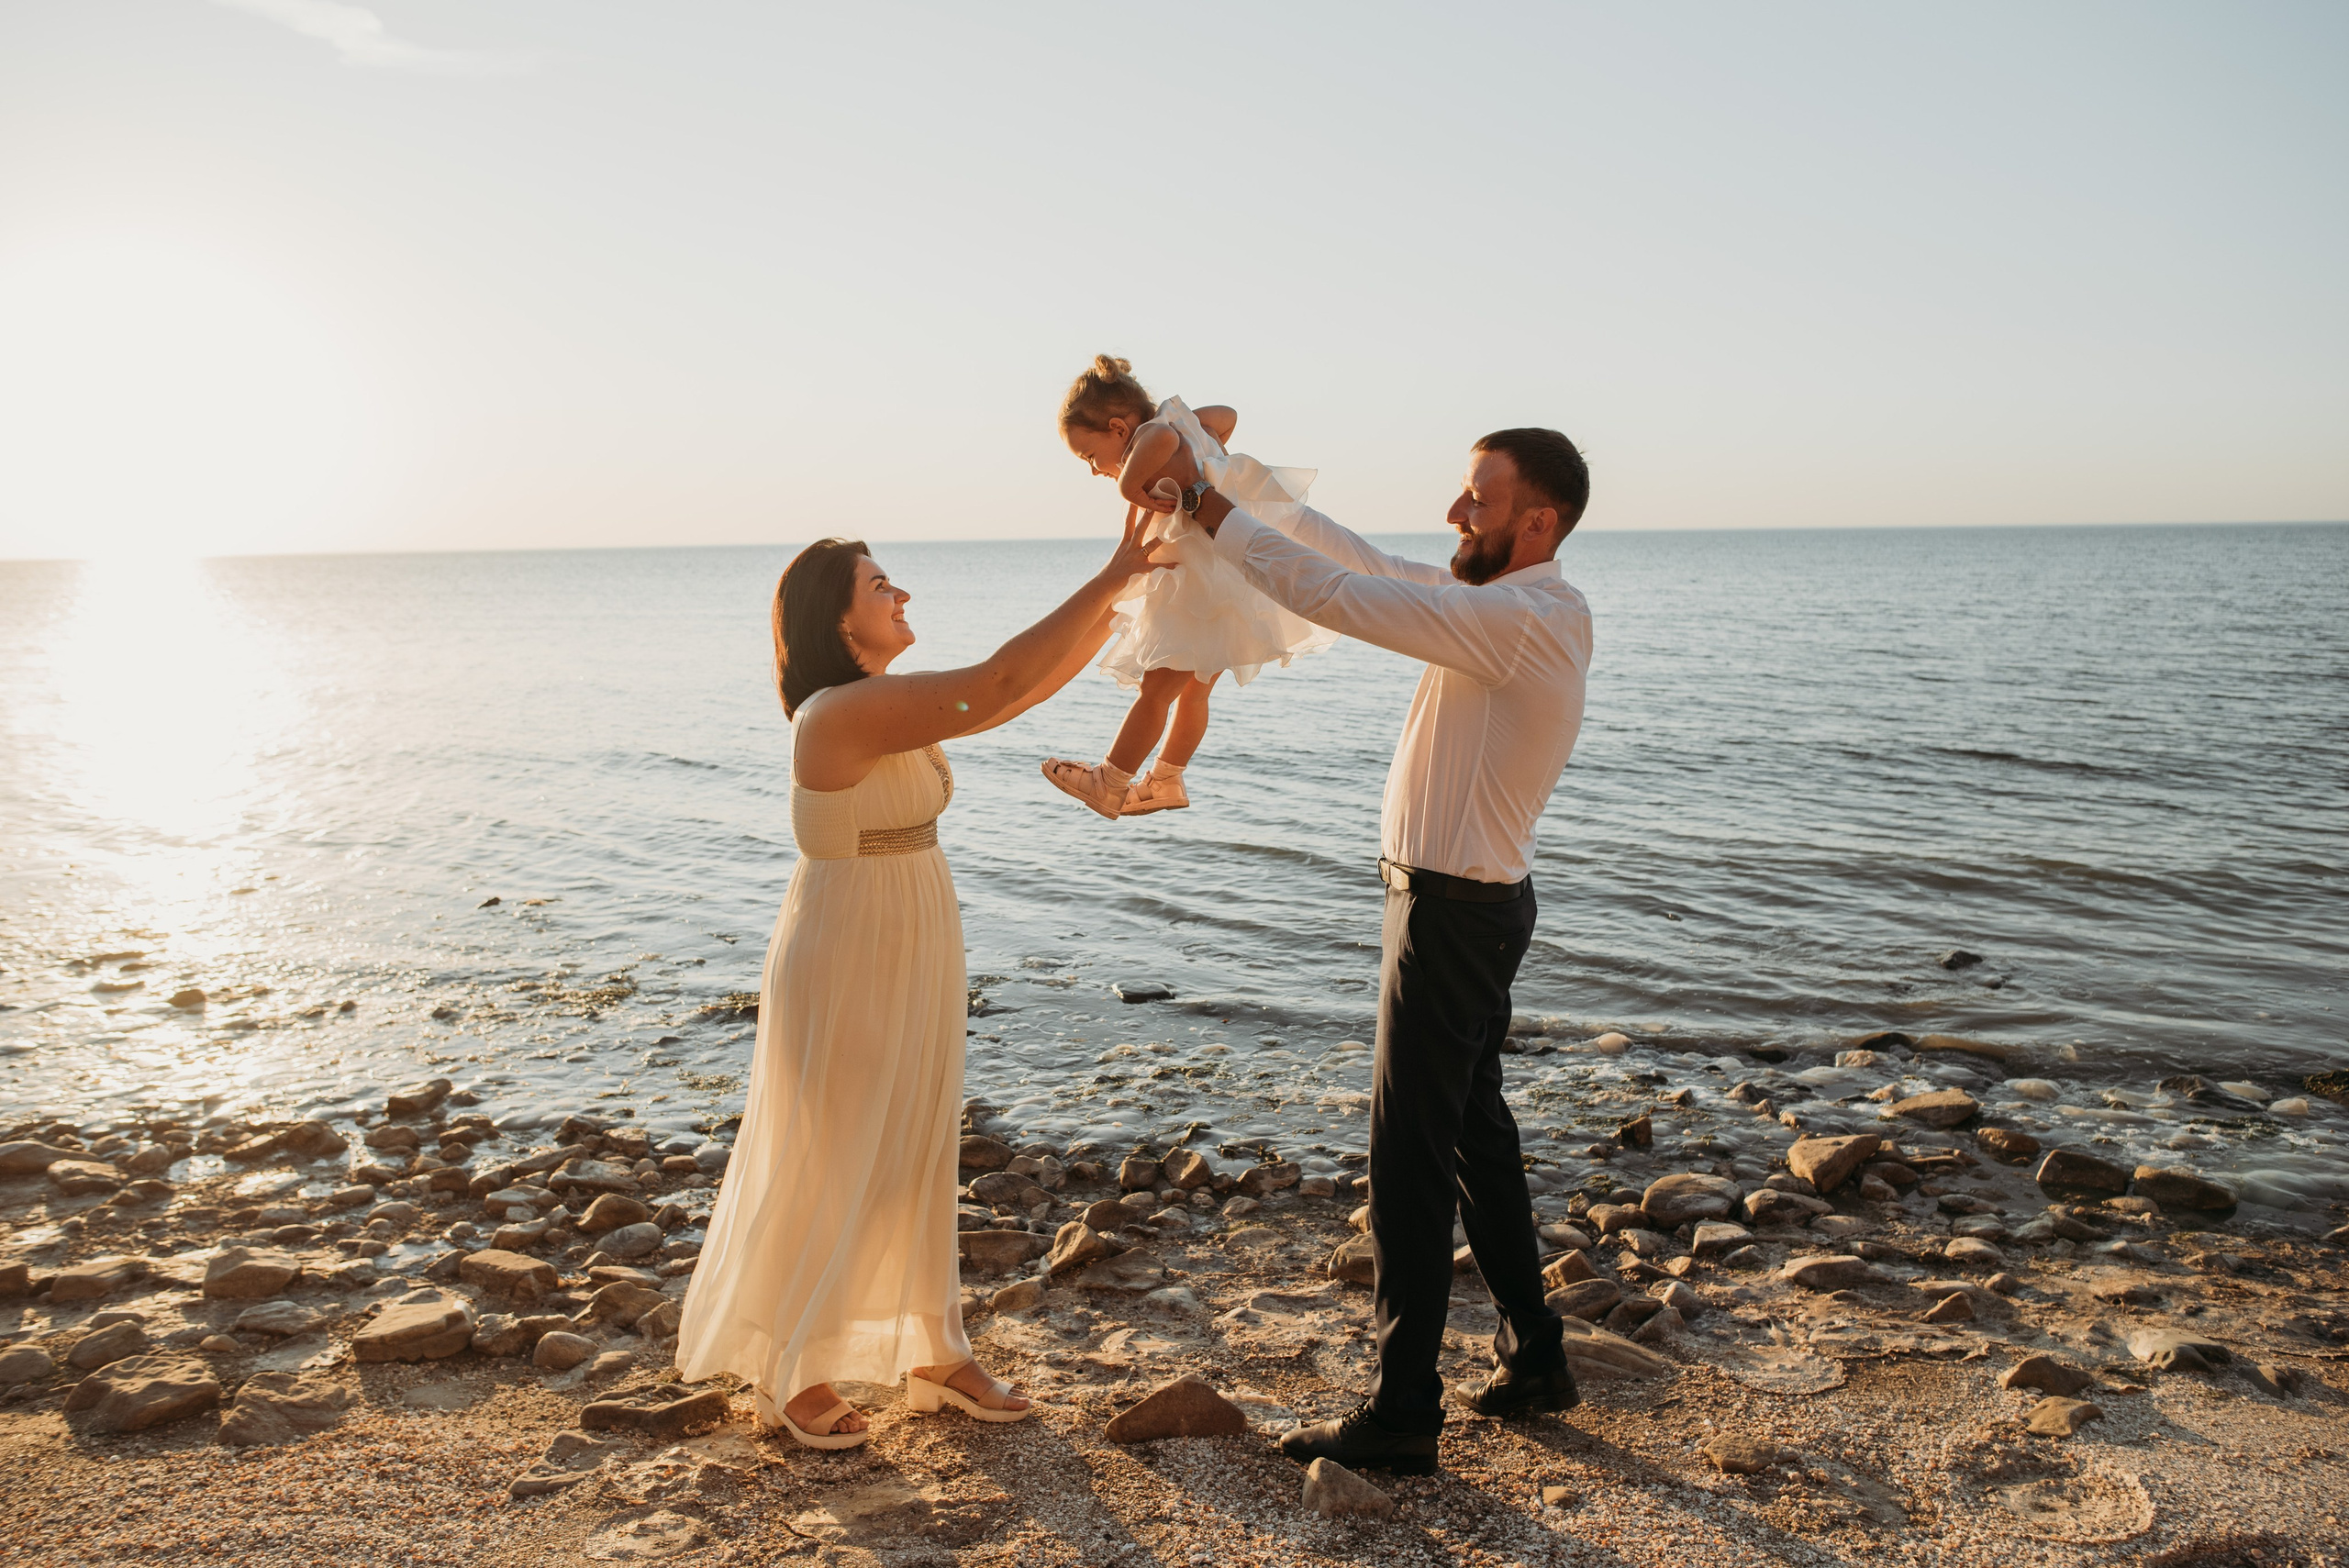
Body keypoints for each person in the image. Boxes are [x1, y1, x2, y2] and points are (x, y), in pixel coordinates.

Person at [1151, 427, 1594, 1473]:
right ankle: (1536, 1356)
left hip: (1450, 919)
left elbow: (1338, 597)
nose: (1455, 514)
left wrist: (1211, 516)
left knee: (1408, 1161)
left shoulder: (1521, 618)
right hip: (1466, 908)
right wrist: (1225, 481)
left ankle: (1402, 1415)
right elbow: (1356, 560)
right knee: (1475, 1138)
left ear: (1539, 521)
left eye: (1478, 500)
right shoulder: (1507, 608)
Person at [675, 514, 1160, 1447]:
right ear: (839, 622)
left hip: (914, 927)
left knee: (916, 1138)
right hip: (851, 943)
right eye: (880, 586)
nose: (901, 596)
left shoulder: (886, 695)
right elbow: (998, 687)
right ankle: (793, 1364)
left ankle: (933, 1351)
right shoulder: (837, 712)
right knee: (835, 1146)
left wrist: (1132, 597)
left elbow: (1021, 688)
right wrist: (1113, 570)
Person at [1041, 354, 1335, 817]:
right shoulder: (1180, 434)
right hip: (1230, 585)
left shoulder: (1152, 436)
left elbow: (1157, 436)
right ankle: (1166, 778)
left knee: (1156, 694)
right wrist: (1197, 430)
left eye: (1090, 456)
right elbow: (1228, 417)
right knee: (1195, 693)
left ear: (1119, 429)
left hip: (1199, 593)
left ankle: (1110, 780)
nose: (1096, 469)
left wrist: (1130, 486)